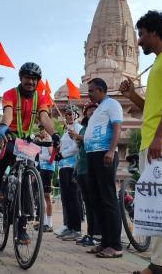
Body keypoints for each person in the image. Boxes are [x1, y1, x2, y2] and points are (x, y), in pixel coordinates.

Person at [120, 10, 162, 274]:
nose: (138, 41)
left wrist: (160, 137)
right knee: (158, 208)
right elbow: (152, 106)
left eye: (141, 35)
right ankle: (158, 264)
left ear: (153, 32)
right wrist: (132, 95)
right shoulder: (160, 62)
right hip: (152, 141)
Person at [0, 62, 60, 245]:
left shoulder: (42, 97)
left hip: (28, 141)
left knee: (28, 180)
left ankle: (21, 228)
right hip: (11, 134)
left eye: (34, 79)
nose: (30, 82)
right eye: (27, 78)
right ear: (21, 78)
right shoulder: (10, 94)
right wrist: (3, 127)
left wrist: (54, 135)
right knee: (6, 151)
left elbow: (44, 118)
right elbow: (8, 113)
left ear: (38, 81)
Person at [84, 78, 123, 258]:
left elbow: (117, 128)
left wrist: (111, 150)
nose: (89, 94)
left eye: (91, 91)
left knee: (108, 199)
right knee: (97, 199)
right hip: (92, 156)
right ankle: (105, 242)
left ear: (100, 90)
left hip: (104, 155)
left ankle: (115, 245)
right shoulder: (99, 108)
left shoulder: (112, 104)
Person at [70, 101, 100, 247]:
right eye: (89, 110)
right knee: (87, 202)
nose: (91, 112)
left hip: (92, 166)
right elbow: (79, 149)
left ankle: (96, 234)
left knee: (95, 202)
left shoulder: (97, 127)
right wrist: (75, 169)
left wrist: (78, 136)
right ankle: (89, 233)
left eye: (94, 109)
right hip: (81, 166)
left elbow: (91, 140)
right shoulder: (83, 128)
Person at [55, 106, 83, 241]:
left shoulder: (77, 128)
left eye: (71, 114)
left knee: (73, 198)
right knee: (65, 199)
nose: (69, 116)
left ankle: (76, 229)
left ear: (76, 115)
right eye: (66, 114)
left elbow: (76, 147)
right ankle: (69, 226)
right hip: (62, 166)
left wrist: (62, 154)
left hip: (72, 165)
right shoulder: (65, 131)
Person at [36, 125, 55, 232]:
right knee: (42, 196)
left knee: (47, 196)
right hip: (42, 169)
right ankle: (43, 222)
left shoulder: (49, 140)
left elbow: (51, 156)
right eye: (40, 129)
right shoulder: (43, 140)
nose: (41, 131)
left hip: (48, 169)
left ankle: (49, 224)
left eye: (43, 129)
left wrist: (42, 156)